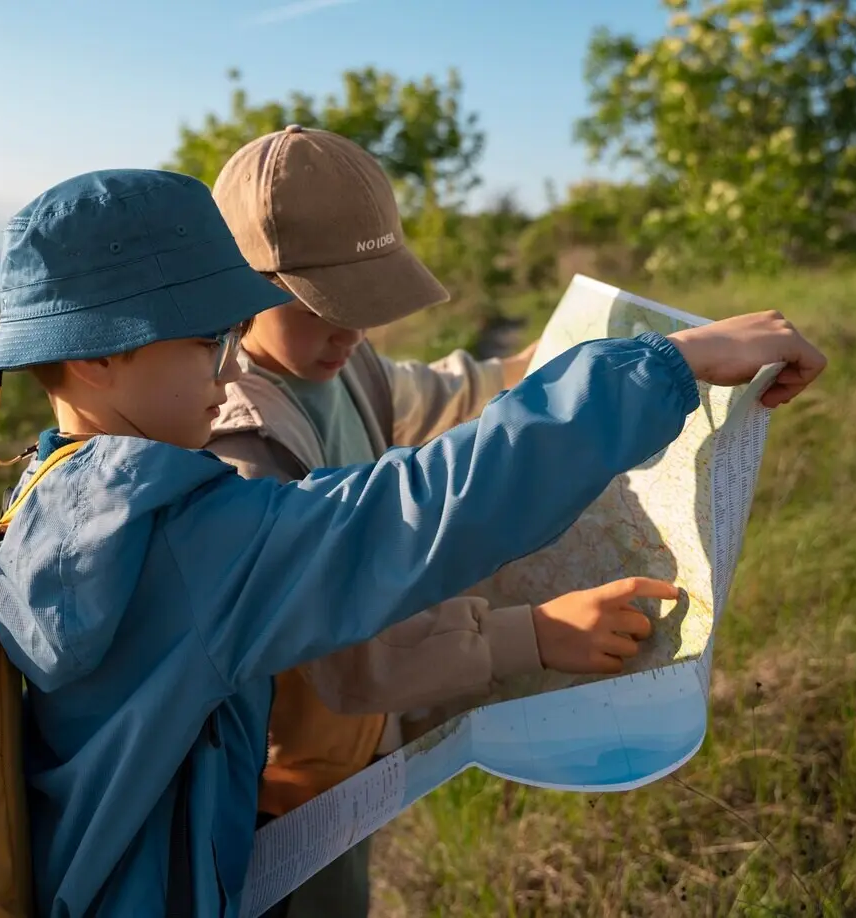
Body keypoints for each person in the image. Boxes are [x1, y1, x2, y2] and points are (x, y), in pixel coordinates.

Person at [0, 166, 827, 917]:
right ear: (95, 361)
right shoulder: (187, 542)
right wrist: (664, 365)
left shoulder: (64, 499)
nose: (229, 369)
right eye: (207, 342)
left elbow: (425, 424)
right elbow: (424, 505)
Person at [205, 125, 677, 918]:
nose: (350, 331)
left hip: (353, 764)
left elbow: (441, 393)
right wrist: (530, 635)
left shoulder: (345, 365)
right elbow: (340, 651)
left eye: (366, 305)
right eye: (325, 308)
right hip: (280, 795)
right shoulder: (237, 443)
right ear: (242, 287)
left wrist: (556, 359)